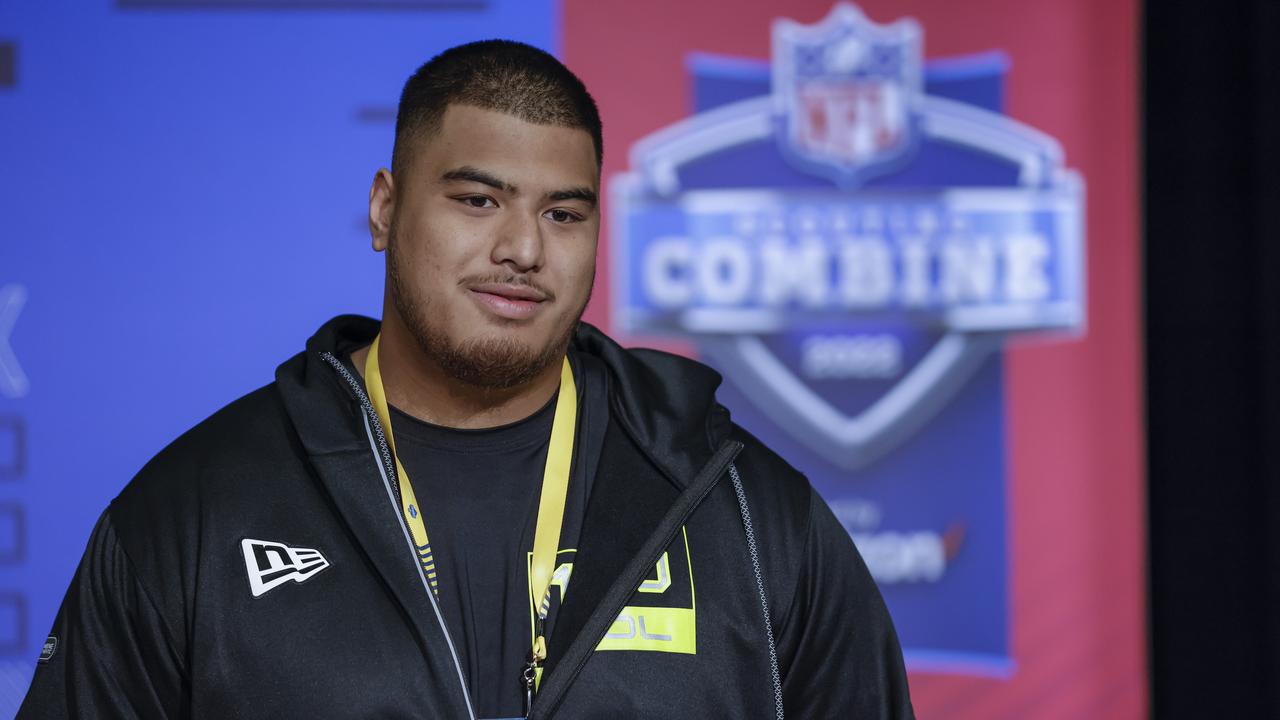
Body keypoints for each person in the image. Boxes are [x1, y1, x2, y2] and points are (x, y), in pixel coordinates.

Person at [18, 40, 913, 719]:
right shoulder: (198, 510)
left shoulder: (748, 515)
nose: (523, 249)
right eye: (477, 200)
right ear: (385, 207)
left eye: (563, 213)